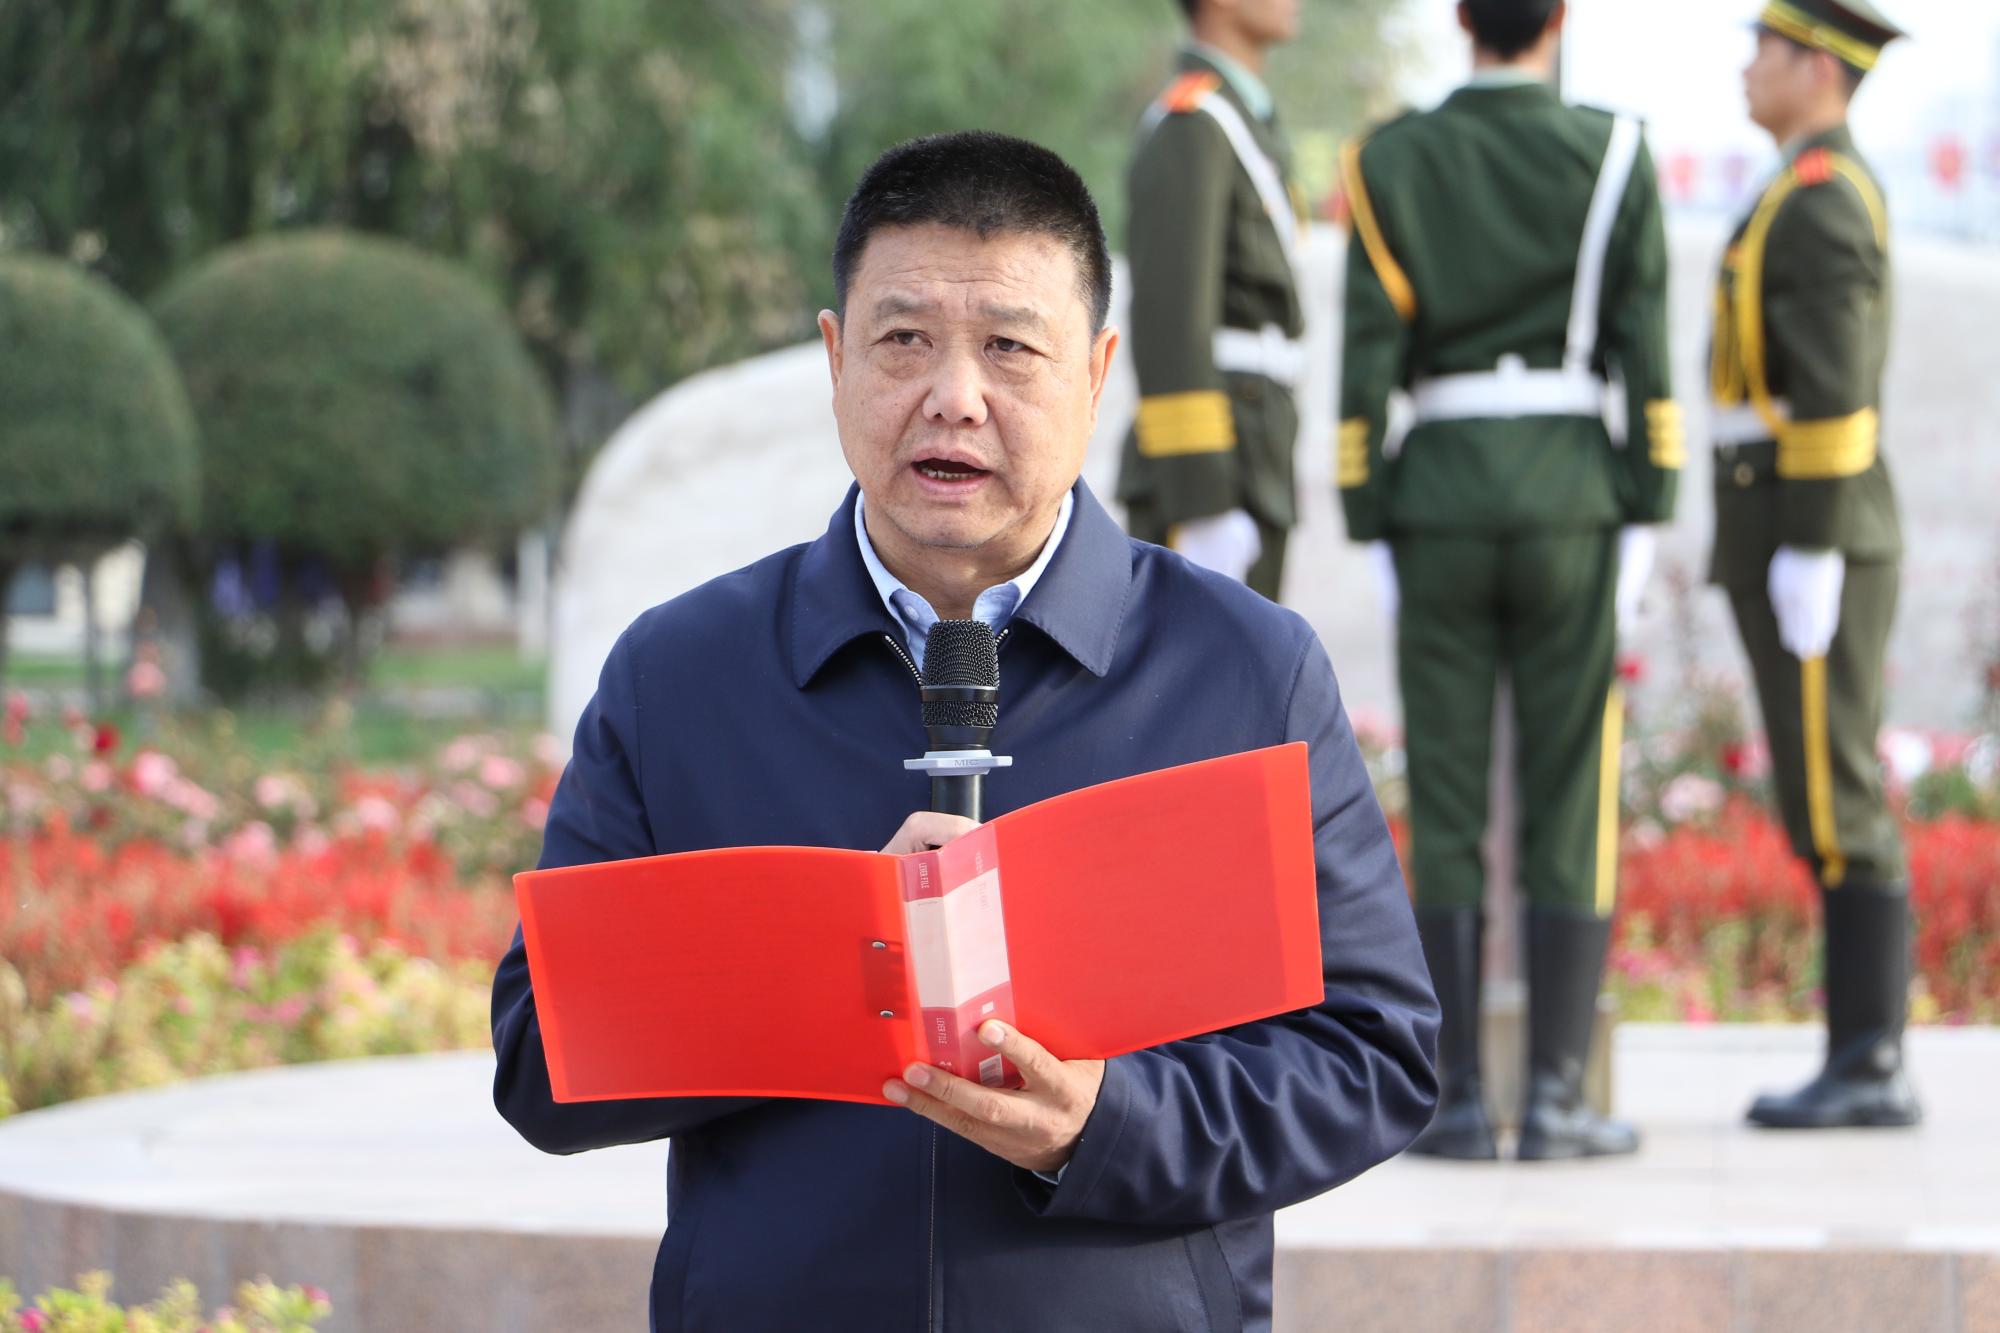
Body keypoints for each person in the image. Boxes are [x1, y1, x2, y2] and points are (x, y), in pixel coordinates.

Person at [492, 131, 1438, 1331]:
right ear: (834, 359)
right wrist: (823, 961)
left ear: (1095, 372)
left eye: (1008, 346)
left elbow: (1373, 1058)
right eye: (902, 340)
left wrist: (1104, 1124)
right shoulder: (681, 675)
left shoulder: (1245, 673)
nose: (952, 396)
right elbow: (539, 1063)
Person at [1336, 0, 1680, 1160]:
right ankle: (1553, 1097)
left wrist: (1368, 509)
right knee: (1567, 787)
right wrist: (1646, 496)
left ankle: (1452, 1103)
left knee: (1443, 793)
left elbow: (1365, 358)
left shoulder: (1388, 160)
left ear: (1458, 19)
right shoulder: (1614, 150)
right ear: (1557, 17)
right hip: (1569, 494)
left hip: (1435, 494)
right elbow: (1643, 347)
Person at [1710, 0, 1917, 1129]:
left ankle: (1869, 1062)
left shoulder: (1823, 195)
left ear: (1817, 68)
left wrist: (1813, 540)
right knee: (1819, 790)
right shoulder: (1796, 184)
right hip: (1791, 518)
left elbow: (1835, 384)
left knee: (1836, 796)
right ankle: (1860, 1055)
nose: (1748, 68)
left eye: (1765, 50)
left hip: (1813, 523)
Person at [1115, 0, 1307, 600]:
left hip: (1252, 447)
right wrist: (1201, 501)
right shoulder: (1192, 123)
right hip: (1212, 464)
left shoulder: (1243, 120)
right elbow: (1170, 320)